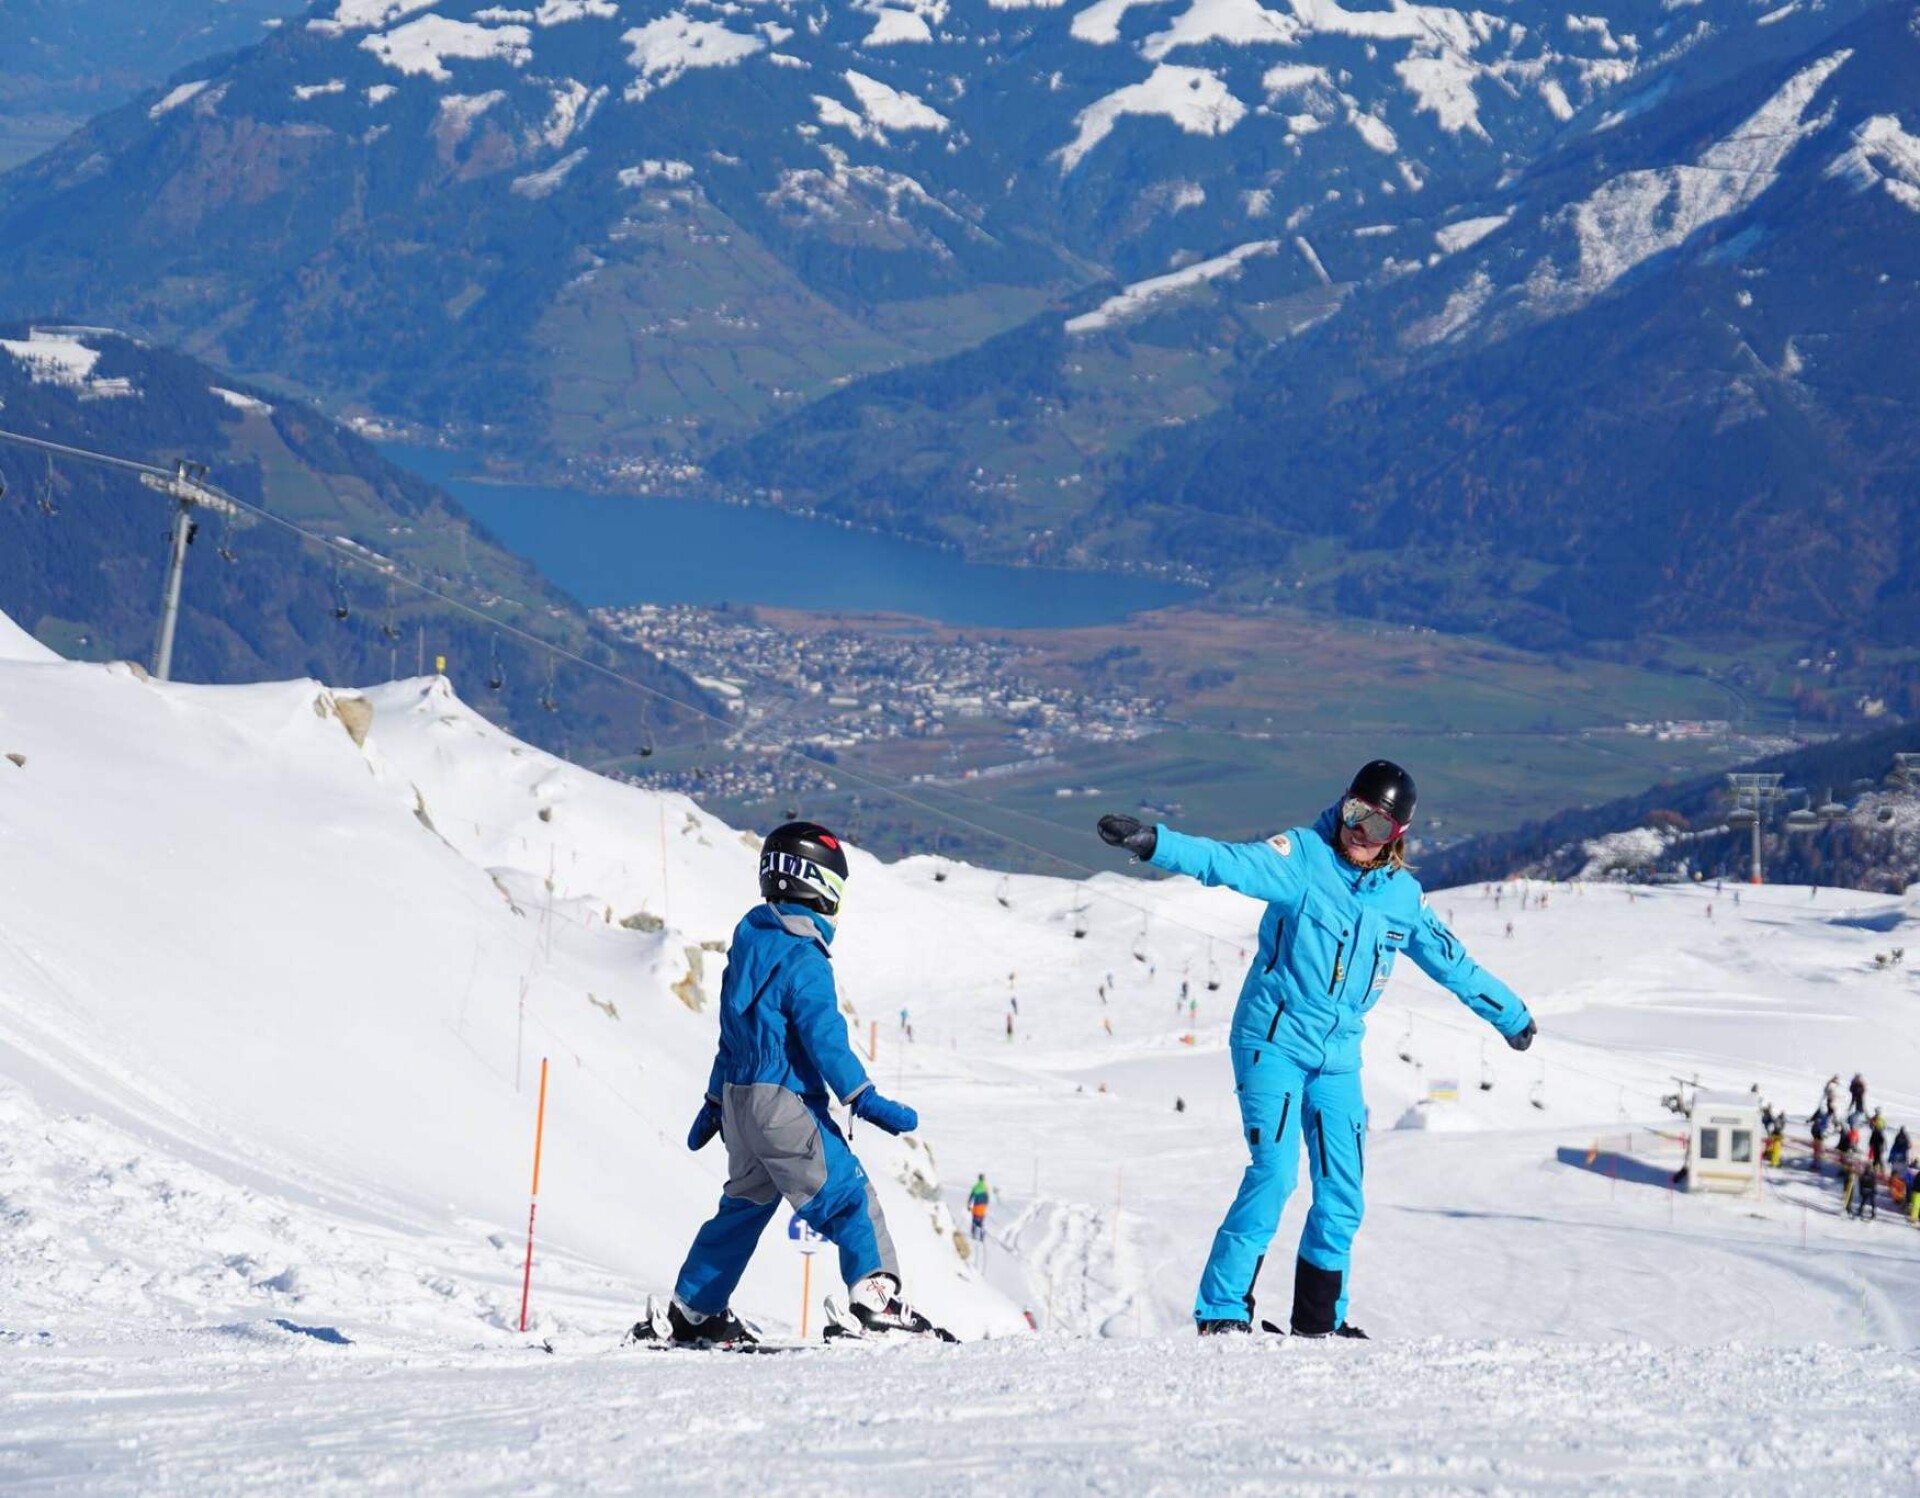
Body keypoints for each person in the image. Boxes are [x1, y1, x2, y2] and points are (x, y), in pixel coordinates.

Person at [1097, 760, 1537, 1339]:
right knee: (1276, 1175)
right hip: (1272, 1042)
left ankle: (1317, 1323)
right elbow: (1229, 863)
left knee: (1341, 1195)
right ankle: (1222, 1310)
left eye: (1377, 827)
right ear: (1343, 804)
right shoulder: (1302, 858)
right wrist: (1156, 844)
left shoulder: (1402, 899)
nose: (1359, 833)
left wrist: (1510, 1014)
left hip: (1337, 1060)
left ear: (1396, 838)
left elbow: (1452, 962)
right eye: (1355, 814)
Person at [647, 821, 941, 1346]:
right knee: (850, 1199)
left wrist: (716, 1100)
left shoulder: (746, 949)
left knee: (743, 1207)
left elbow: (732, 1035)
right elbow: (825, 1038)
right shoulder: (805, 959)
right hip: (785, 1103)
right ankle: (876, 1301)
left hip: (739, 1102)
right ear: (819, 883)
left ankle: (695, 1310)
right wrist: (862, 1096)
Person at [967, 1175, 991, 1243]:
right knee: (981, 1222)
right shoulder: (986, 1187)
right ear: (983, 1179)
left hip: (976, 1207)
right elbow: (988, 1198)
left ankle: (973, 1234)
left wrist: (969, 1206)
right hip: (983, 1207)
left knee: (974, 1221)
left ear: (978, 1179)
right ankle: (981, 1236)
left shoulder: (975, 1187)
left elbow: (971, 1197)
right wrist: (985, 1205)